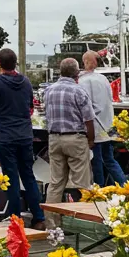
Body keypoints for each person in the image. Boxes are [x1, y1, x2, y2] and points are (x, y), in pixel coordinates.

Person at [0, 47, 45, 226]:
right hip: (25, 134)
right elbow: (30, 105)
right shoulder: (25, 81)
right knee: (28, 175)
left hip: (6, 135)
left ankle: (16, 218)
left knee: (11, 177)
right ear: (15, 63)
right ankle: (38, 217)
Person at [44, 58, 95, 203]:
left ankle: (52, 221)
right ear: (77, 73)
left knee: (56, 183)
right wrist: (91, 140)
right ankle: (79, 220)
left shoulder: (49, 90)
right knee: (81, 184)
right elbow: (89, 119)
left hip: (54, 138)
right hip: (75, 138)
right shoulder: (79, 91)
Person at [79, 51, 126, 188]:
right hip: (108, 125)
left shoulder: (84, 81)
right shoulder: (104, 79)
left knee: (96, 162)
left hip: (95, 127)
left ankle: (98, 190)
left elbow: (85, 107)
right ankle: (125, 185)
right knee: (109, 159)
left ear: (86, 62)